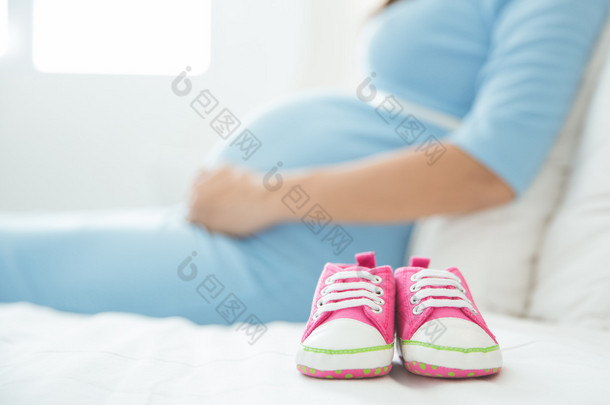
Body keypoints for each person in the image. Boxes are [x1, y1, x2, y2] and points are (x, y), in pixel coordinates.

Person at [1, 0, 608, 324]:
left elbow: (490, 168)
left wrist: (264, 196)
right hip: (268, 234)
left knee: (12, 259)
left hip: (308, 257)